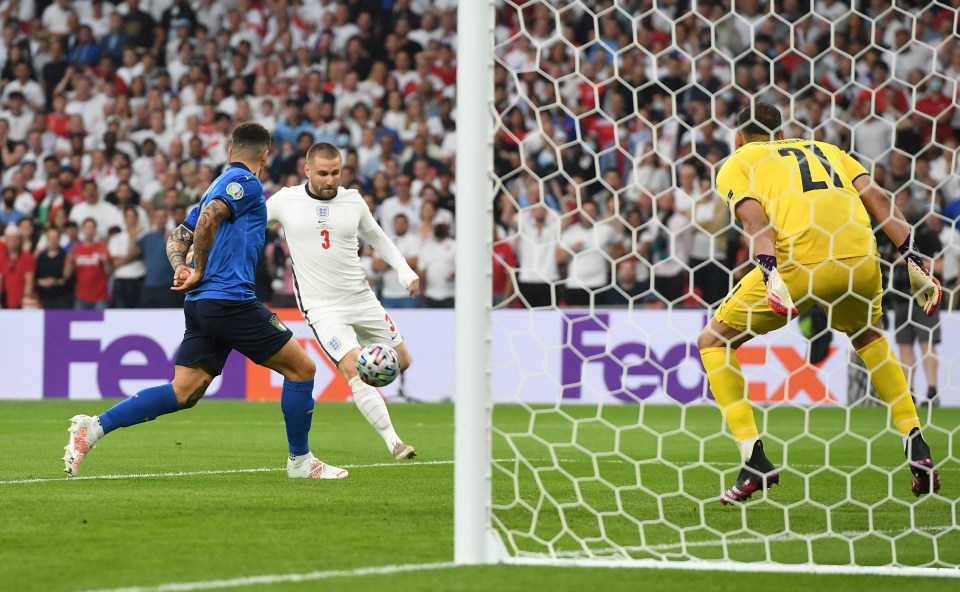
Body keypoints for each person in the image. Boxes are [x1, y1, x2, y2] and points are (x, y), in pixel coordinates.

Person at [63, 123, 347, 480]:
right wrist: (194, 272)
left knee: (184, 391)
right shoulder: (246, 183)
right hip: (230, 300)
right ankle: (301, 462)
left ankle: (94, 427)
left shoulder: (216, 184)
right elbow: (211, 216)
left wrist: (182, 266)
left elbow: (178, 234)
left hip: (202, 305)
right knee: (302, 370)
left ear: (230, 151)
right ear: (265, 155)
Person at [697, 103, 942, 504]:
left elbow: (757, 224)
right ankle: (916, 442)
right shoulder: (828, 150)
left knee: (713, 341)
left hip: (797, 265)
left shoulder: (738, 161)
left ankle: (753, 459)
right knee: (868, 337)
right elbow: (878, 197)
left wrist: (770, 272)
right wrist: (912, 256)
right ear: (781, 135)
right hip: (861, 262)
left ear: (738, 137)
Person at [266, 142, 419, 460]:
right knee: (355, 368)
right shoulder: (285, 201)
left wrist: (404, 271)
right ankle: (395, 442)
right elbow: (250, 224)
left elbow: (377, 237)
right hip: (322, 307)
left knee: (402, 360)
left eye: (336, 172)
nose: (330, 180)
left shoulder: (353, 201)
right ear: (306, 170)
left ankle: (371, 391)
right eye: (323, 173)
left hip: (361, 298)